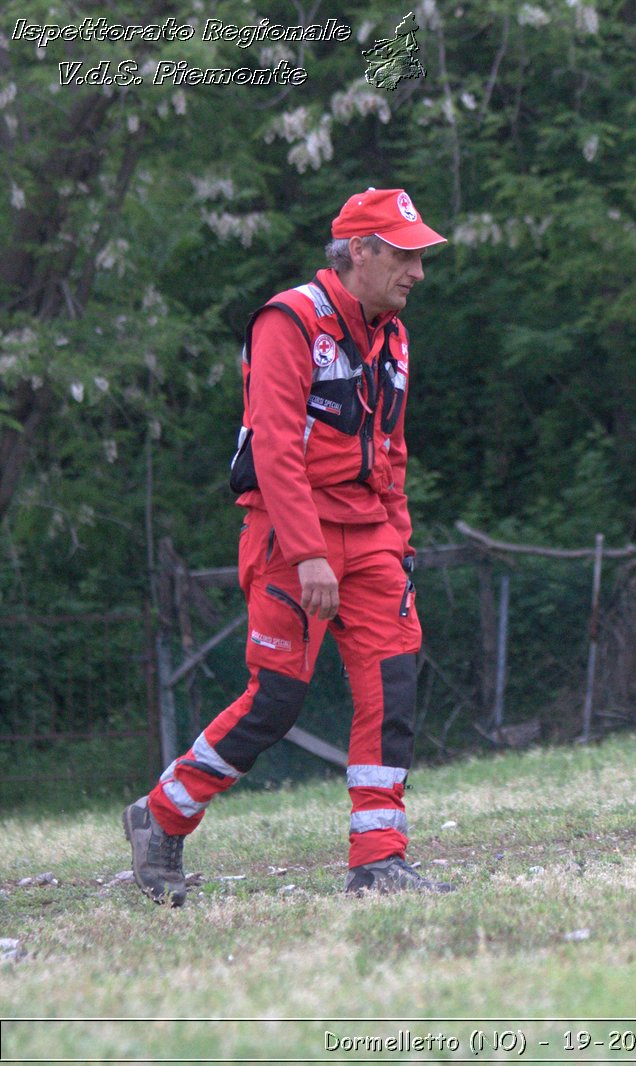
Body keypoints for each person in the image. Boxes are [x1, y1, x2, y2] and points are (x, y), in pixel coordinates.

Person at [123, 188, 452, 903]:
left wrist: (397, 544)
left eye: (420, 258)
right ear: (359, 251)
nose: (418, 273)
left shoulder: (393, 334)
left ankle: (379, 862)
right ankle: (161, 814)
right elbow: (273, 446)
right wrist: (307, 555)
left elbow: (390, 450)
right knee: (275, 702)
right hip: (289, 535)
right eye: (404, 256)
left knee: (391, 692)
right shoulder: (290, 319)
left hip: (371, 541)